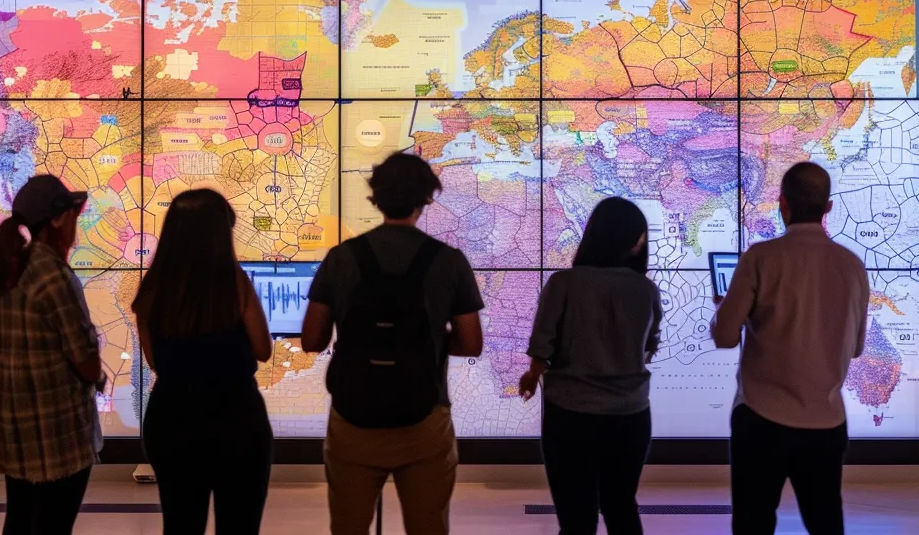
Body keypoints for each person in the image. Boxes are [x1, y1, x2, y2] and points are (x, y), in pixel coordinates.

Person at [302, 152, 485, 535]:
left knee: (348, 528)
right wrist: (430, 339)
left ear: (376, 196)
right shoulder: (449, 261)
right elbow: (470, 343)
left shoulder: (341, 258)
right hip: (425, 420)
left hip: (353, 421)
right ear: (427, 198)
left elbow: (312, 340)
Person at [712, 162, 869, 535]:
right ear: (827, 207)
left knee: (753, 524)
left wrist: (731, 309)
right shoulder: (852, 266)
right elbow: (857, 348)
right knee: (826, 523)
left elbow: (724, 337)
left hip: (761, 419)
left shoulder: (760, 258)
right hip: (826, 421)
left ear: (782, 203)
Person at [133, 188, 275, 535]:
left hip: (172, 421)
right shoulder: (234, 284)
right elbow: (262, 349)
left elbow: (155, 362)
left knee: (181, 523)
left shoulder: (152, 289)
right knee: (239, 524)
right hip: (237, 421)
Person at [518, 197, 662, 535]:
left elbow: (543, 343)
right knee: (621, 507)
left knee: (576, 516)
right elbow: (648, 349)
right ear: (633, 240)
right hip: (630, 416)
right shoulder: (645, 288)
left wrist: (534, 372)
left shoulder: (563, 283)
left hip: (570, 416)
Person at [0, 175, 107, 535]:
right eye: (73, 215)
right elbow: (84, 360)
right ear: (57, 220)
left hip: (15, 428)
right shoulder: (54, 275)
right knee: (52, 525)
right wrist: (96, 373)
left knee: (20, 521)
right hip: (55, 435)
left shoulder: (12, 267)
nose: (75, 224)